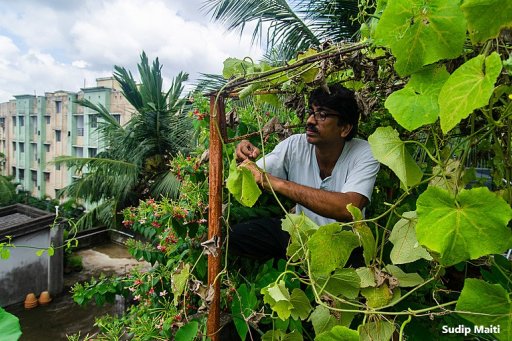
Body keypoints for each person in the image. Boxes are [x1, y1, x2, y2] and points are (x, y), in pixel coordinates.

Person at [229, 84, 380, 260]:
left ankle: (299, 272)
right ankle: (284, 272)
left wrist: (276, 182)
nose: (309, 120)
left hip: (343, 243)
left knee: (350, 264)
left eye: (322, 115)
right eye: (311, 112)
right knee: (241, 235)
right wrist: (244, 157)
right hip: (301, 233)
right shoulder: (295, 144)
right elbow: (255, 173)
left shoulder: (364, 152)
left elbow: (349, 209)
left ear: (345, 128)